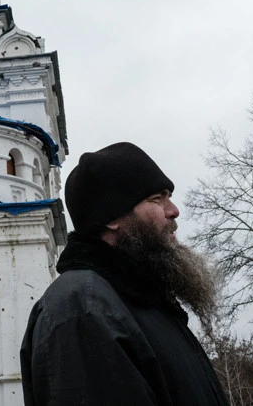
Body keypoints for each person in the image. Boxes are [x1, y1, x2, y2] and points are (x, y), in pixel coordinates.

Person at [20, 142, 228, 405]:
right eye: (156, 199)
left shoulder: (140, 300)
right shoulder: (84, 312)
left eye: (169, 196)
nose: (173, 210)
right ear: (111, 217)